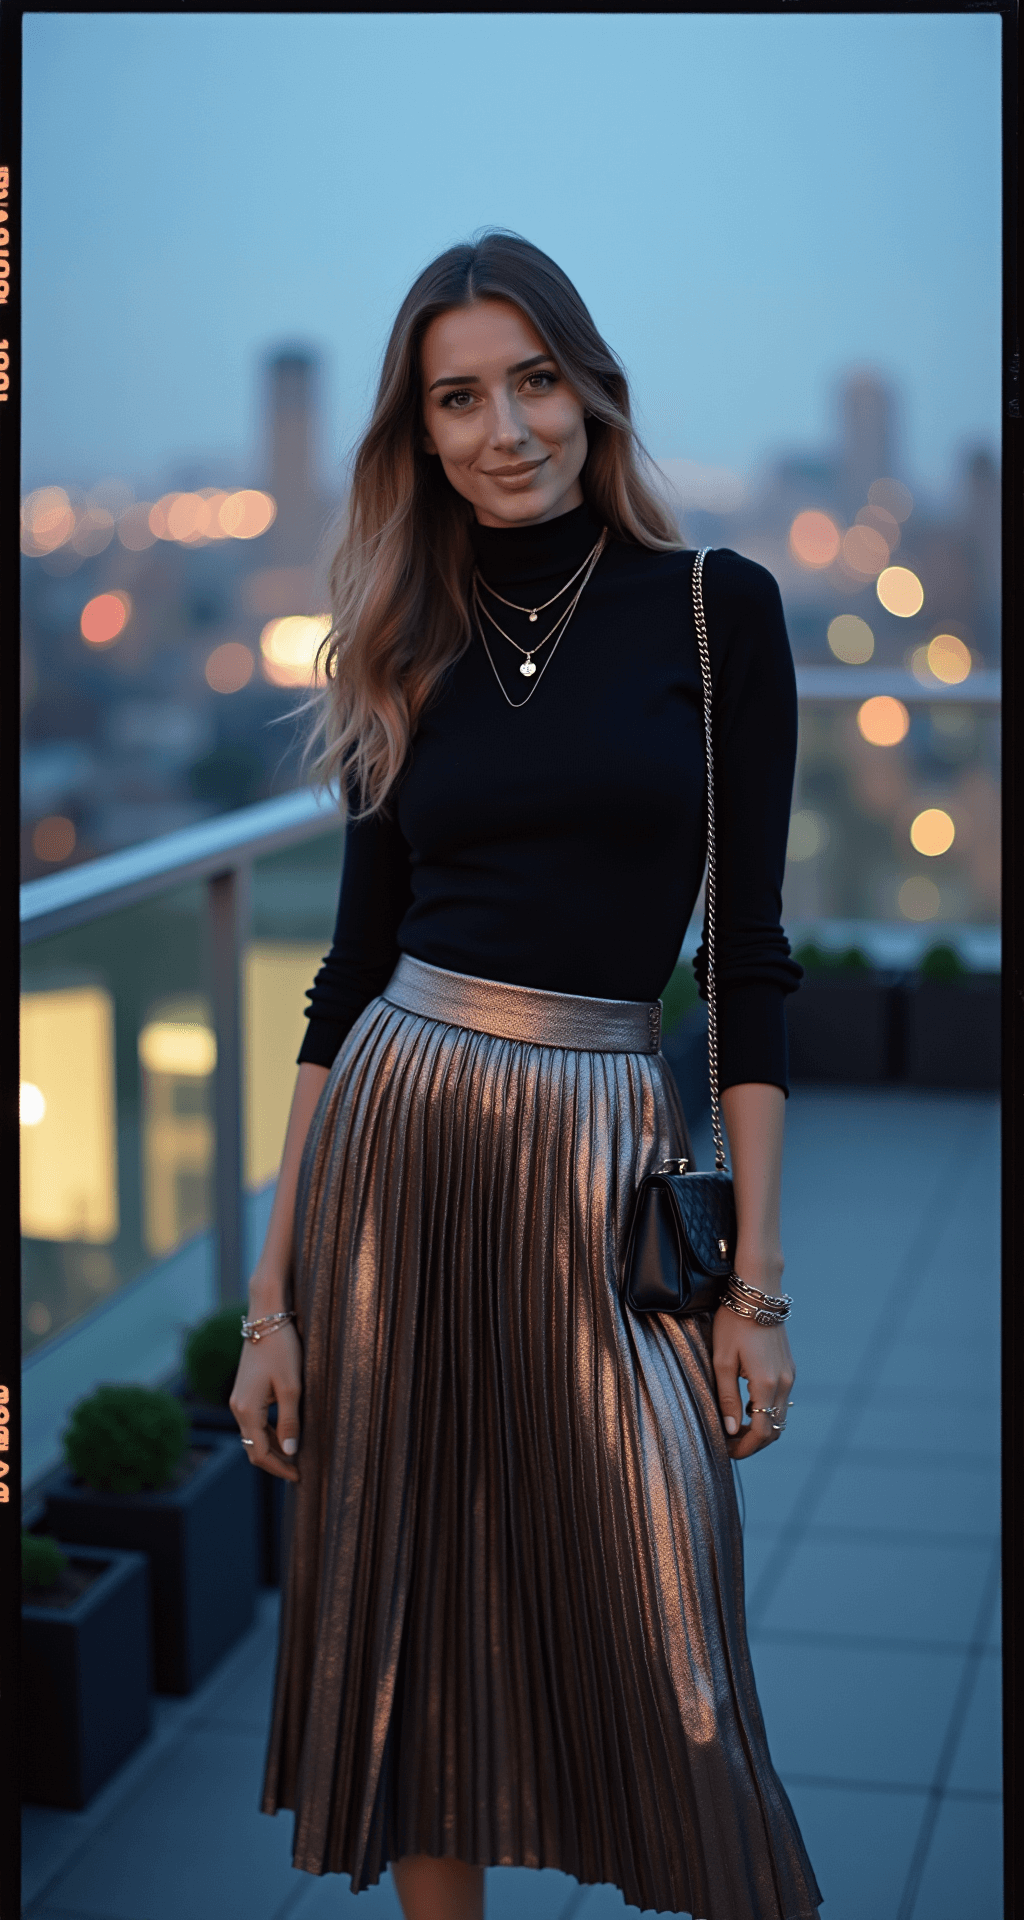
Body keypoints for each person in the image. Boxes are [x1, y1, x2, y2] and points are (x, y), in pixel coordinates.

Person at [230, 230, 822, 1920]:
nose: (507, 429)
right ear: (418, 434)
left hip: (600, 1148)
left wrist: (755, 1292)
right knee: (421, 1624)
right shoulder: (396, 636)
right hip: (398, 1149)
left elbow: (751, 962)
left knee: (672, 1623)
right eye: (460, 398)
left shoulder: (715, 610)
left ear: (592, 390)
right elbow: (345, 982)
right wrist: (272, 1303)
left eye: (535, 380)